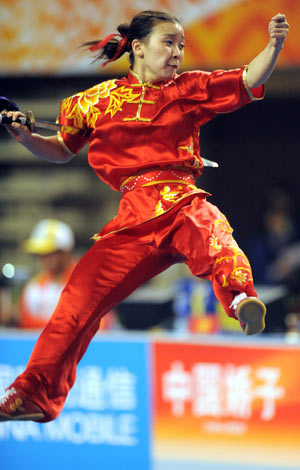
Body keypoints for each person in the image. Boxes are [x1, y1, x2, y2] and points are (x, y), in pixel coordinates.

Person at [0, 10, 289, 422]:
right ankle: (34, 395)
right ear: (138, 47)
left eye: (182, 45)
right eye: (168, 42)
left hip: (179, 200)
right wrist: (25, 136)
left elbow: (248, 79)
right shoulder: (93, 102)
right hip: (131, 221)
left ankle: (241, 297)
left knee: (212, 232)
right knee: (75, 304)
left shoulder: (189, 89)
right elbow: (61, 149)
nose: (177, 52)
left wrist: (274, 46)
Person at [18, 219, 77, 329]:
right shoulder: (33, 286)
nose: (42, 258)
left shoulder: (85, 283)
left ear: (65, 252)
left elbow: (101, 325)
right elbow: (24, 323)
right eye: (39, 252)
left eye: (49, 252)